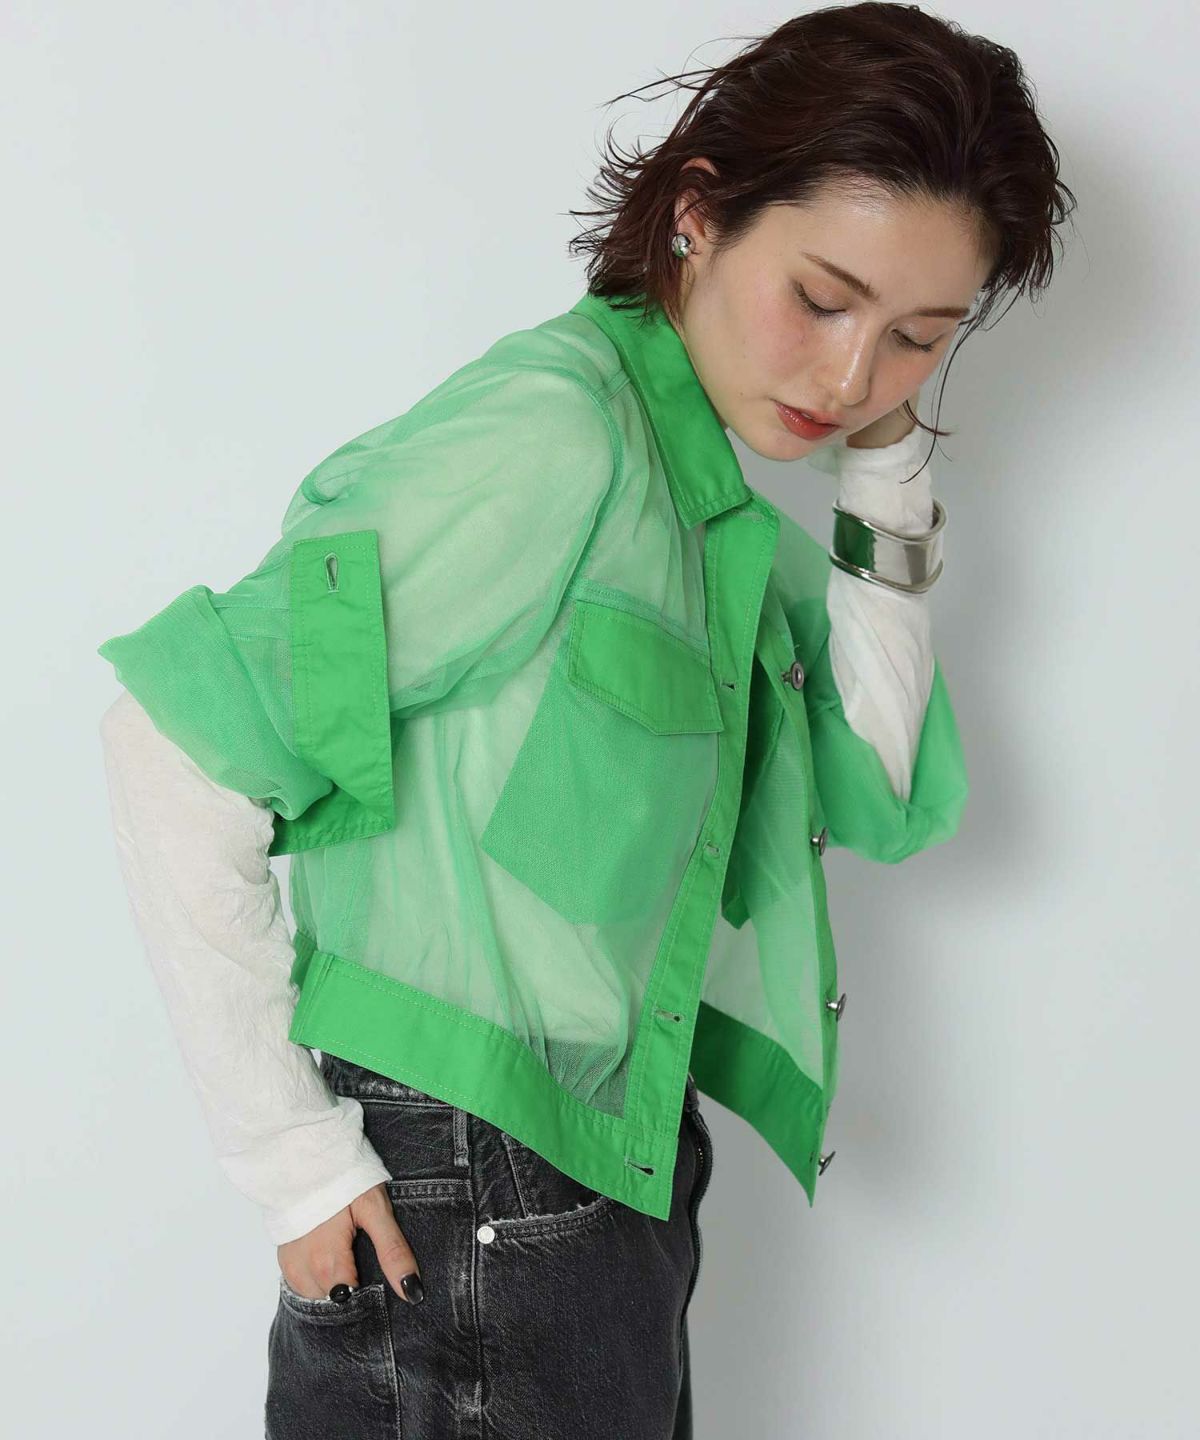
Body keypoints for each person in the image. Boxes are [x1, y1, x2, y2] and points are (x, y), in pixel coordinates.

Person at [95, 7, 1074, 1437]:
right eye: (823, 299)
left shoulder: (699, 503)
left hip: (598, 1191)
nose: (851, 378)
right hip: (465, 1193)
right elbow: (176, 742)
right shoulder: (554, 438)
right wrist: (292, 1160)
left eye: (918, 339)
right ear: (699, 214)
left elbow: (870, 776)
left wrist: (887, 471)